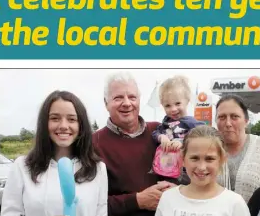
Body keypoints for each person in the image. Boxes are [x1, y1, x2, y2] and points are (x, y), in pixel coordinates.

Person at [1, 90, 108, 216]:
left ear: (81, 125)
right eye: (55, 118)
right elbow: (10, 212)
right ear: (44, 123)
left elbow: (101, 212)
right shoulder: (22, 167)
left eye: (72, 119)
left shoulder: (97, 169)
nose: (63, 125)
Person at [93, 72, 174, 216]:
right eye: (118, 98)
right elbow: (90, 203)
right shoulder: (94, 143)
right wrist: (137, 200)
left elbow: (187, 171)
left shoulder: (159, 132)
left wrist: (176, 189)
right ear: (106, 103)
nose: (127, 103)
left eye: (132, 97)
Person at [156, 126, 250, 216]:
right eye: (194, 158)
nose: (201, 167)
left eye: (209, 159)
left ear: (222, 160)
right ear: (183, 159)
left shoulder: (234, 203)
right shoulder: (168, 198)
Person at [215, 95, 260, 203]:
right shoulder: (210, 149)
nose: (228, 123)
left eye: (234, 116)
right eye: (222, 117)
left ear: (246, 120)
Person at [151, 76, 203, 183]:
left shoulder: (192, 123)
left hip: (185, 173)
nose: (173, 109)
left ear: (187, 101)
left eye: (178, 103)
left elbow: (206, 138)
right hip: (165, 170)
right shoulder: (165, 122)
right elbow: (155, 133)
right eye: (168, 105)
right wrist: (162, 137)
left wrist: (184, 144)